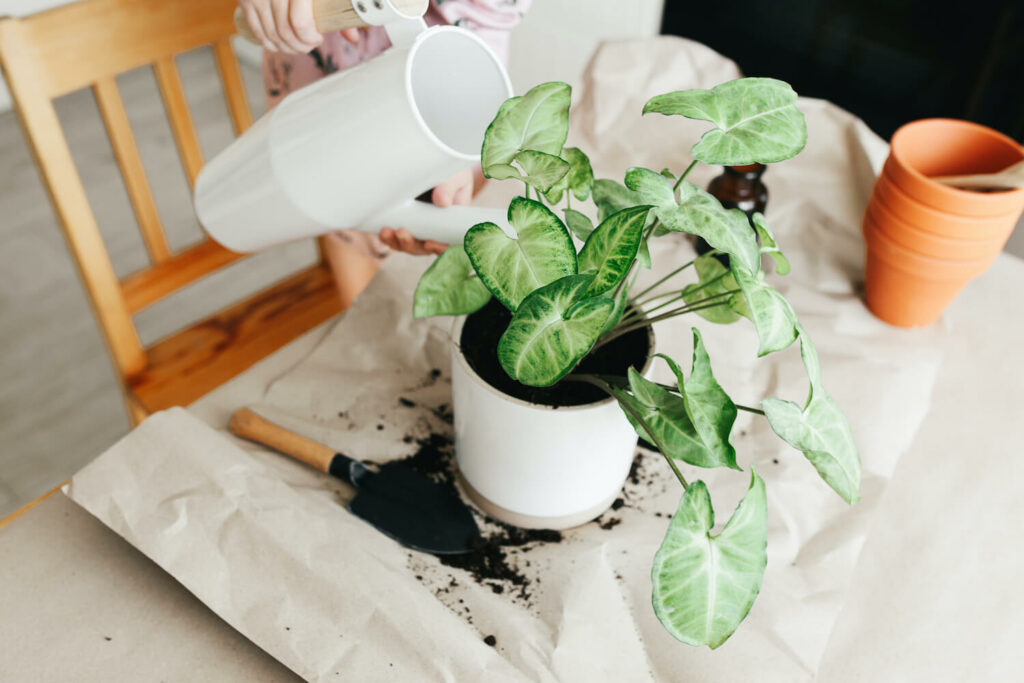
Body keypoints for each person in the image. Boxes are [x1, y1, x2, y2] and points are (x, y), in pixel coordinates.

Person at [237, 0, 531, 307]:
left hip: (447, 65)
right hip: (314, 52)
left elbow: (488, 15)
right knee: (327, 193)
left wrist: (455, 134)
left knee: (371, 216)